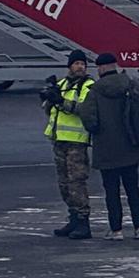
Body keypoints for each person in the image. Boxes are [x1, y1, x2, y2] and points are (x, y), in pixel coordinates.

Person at [78, 52, 139, 240]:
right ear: (115, 66)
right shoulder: (130, 85)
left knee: (112, 191)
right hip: (130, 147)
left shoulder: (95, 91)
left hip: (106, 149)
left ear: (100, 68)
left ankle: (116, 230)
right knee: (133, 188)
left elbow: (89, 120)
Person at [41, 50, 96, 240]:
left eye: (83, 64)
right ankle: (73, 217)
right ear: (70, 66)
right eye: (77, 64)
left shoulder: (88, 86)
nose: (80, 67)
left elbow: (84, 110)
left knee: (76, 182)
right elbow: (49, 111)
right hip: (59, 140)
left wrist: (61, 101)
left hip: (76, 142)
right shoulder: (62, 84)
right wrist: (49, 97)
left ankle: (83, 221)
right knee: (63, 183)